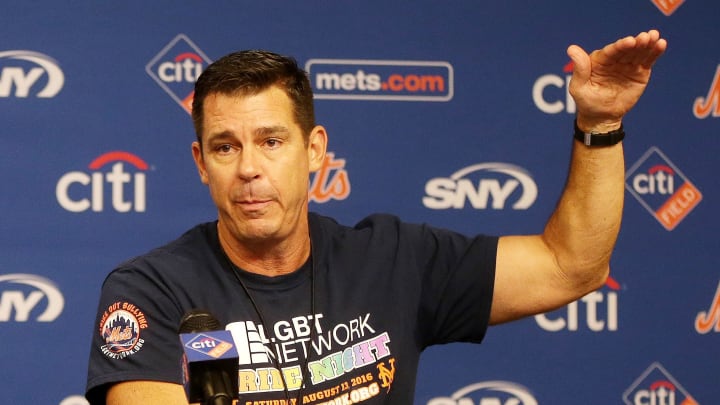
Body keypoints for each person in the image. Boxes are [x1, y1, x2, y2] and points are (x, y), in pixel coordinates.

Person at [85, 30, 667, 404]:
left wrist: (600, 123)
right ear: (201, 164)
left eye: (270, 141)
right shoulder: (151, 290)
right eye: (225, 147)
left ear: (314, 150)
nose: (248, 169)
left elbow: (572, 266)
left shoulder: (391, 260)